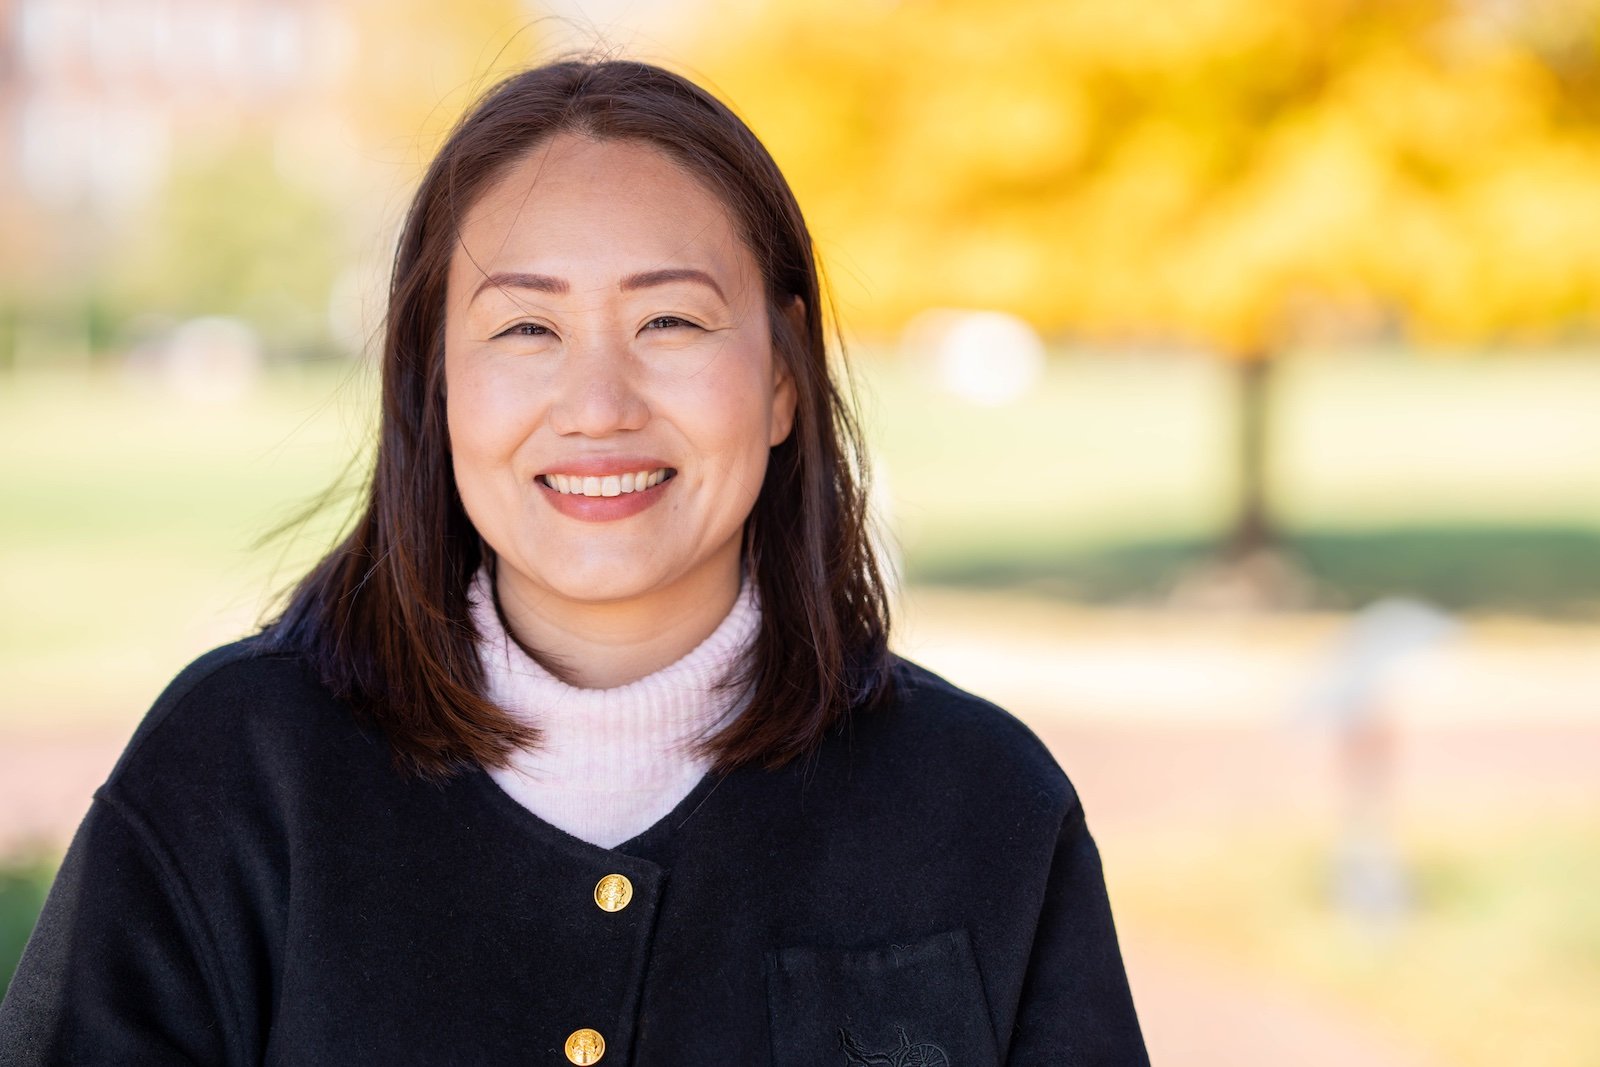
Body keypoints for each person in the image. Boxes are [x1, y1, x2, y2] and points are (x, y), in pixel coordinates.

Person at [0, 57, 1149, 1065]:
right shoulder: (231, 776)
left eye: (671, 323)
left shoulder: (985, 803)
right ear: (433, 384)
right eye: (525, 329)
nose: (598, 406)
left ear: (786, 377)